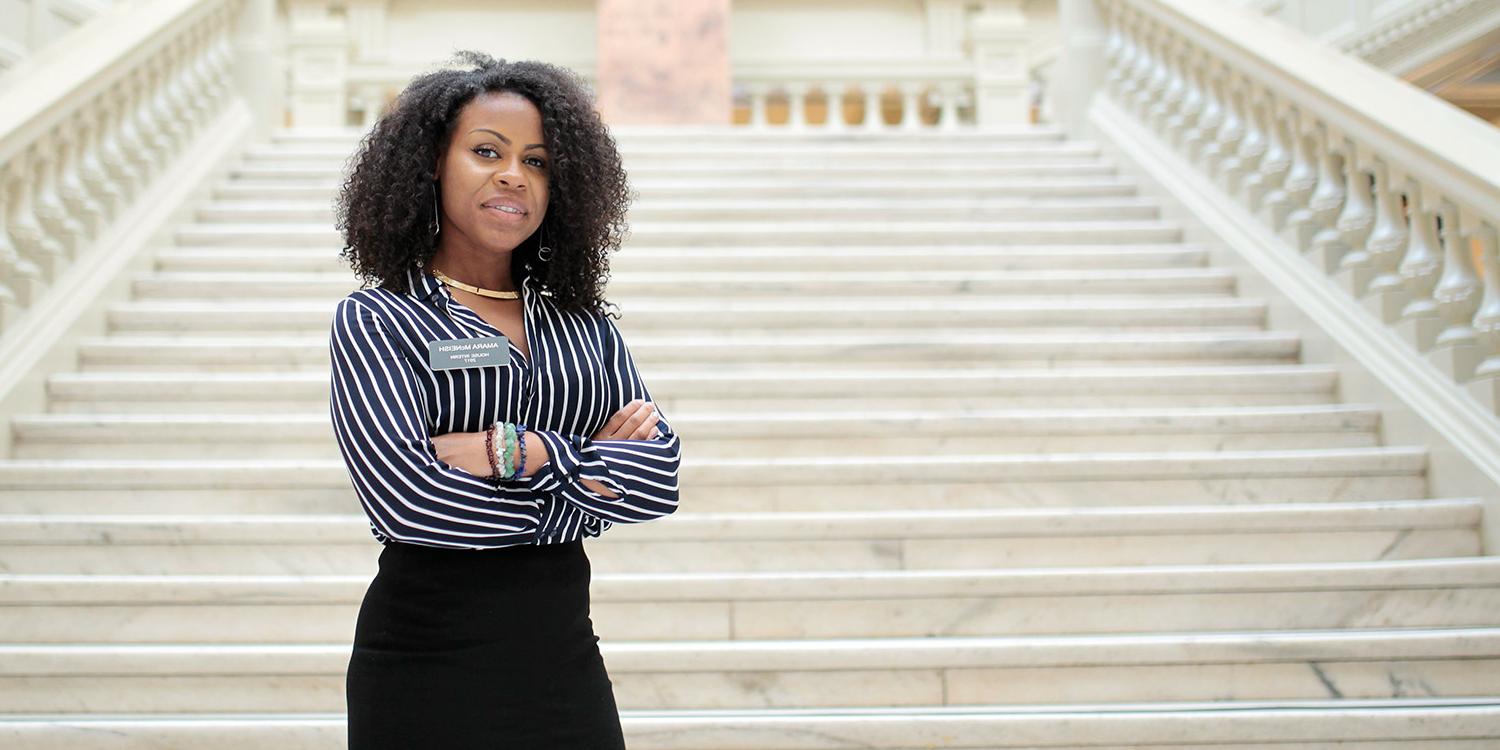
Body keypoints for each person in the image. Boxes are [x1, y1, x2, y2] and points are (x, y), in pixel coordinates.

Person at [328, 50, 683, 749]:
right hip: (425, 661)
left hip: (561, 659)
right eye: (485, 151)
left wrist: (515, 451)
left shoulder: (586, 327)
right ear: (433, 162)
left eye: (539, 161)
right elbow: (411, 504)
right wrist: (585, 482)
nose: (513, 175)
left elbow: (660, 479)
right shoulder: (378, 320)